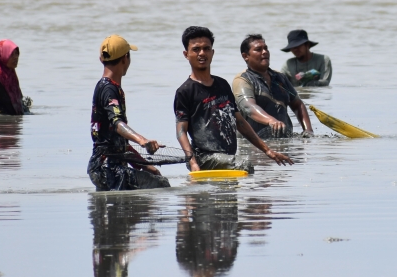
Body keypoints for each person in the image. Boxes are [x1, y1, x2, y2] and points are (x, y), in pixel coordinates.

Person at [174, 26, 293, 173]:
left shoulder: (222, 85)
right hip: (204, 158)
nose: (202, 53)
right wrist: (192, 163)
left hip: (226, 157)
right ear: (186, 54)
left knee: (230, 193)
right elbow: (181, 132)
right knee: (244, 165)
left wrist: (268, 151)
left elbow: (240, 122)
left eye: (206, 48)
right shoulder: (185, 91)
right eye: (196, 49)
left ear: (212, 52)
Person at [87, 35, 170, 191]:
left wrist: (146, 167)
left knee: (114, 212)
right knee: (162, 185)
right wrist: (142, 140)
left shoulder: (105, 87)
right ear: (126, 58)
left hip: (100, 166)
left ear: (101, 59)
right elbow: (117, 123)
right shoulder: (109, 89)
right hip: (110, 169)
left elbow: (119, 143)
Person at [233, 34, 314, 139]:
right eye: (258, 49)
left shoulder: (280, 77)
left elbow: (297, 104)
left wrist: (308, 130)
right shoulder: (242, 80)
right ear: (245, 56)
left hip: (284, 140)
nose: (265, 52)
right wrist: (271, 121)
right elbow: (249, 107)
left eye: (266, 48)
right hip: (253, 144)